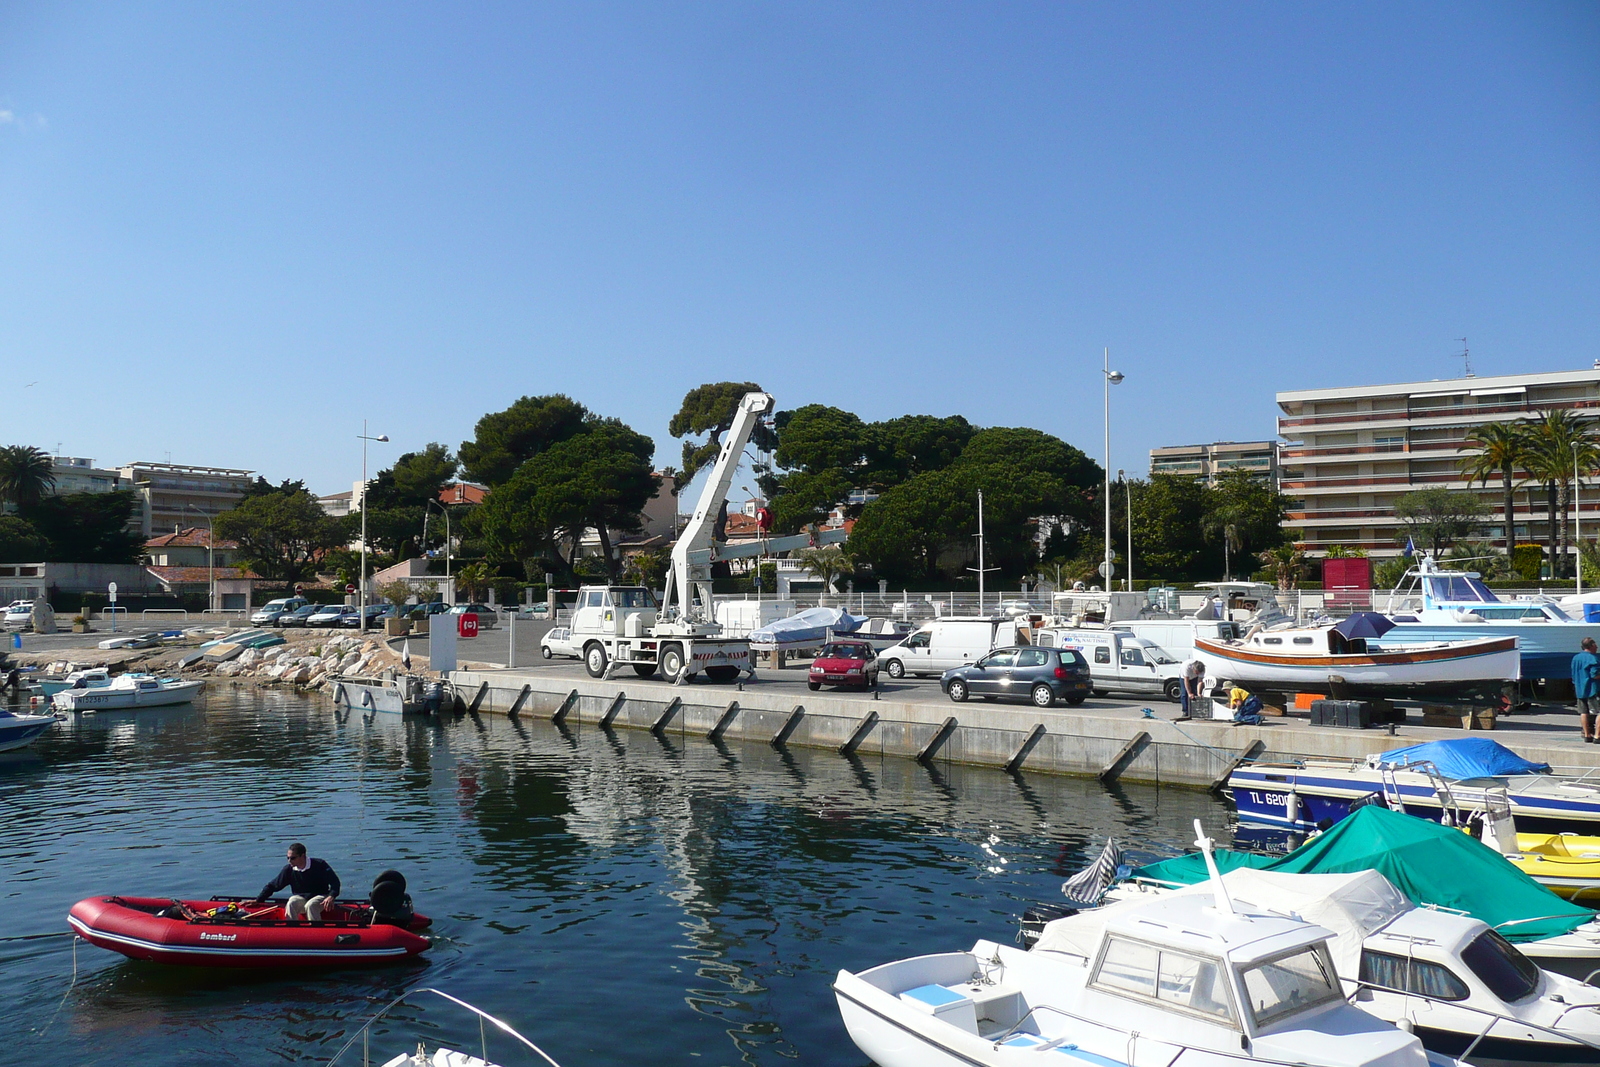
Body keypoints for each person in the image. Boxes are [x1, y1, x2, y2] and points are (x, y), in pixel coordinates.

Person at [256, 843, 340, 920]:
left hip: (321, 896)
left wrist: (331, 896)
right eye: (288, 858)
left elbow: (335, 882)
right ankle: (292, 929)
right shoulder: (289, 869)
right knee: (292, 902)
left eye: (293, 858)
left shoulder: (319, 865)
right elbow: (273, 885)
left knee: (311, 905)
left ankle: (315, 932)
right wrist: (258, 900)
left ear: (302, 856)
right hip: (302, 897)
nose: (289, 860)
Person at [1574, 638, 1600, 743]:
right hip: (1593, 689)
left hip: (1580, 689)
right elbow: (1595, 675)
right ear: (1591, 646)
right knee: (1599, 712)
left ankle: (1587, 734)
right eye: (1595, 645)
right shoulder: (1593, 659)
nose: (1597, 647)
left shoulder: (1576, 658)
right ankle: (1597, 736)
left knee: (1583, 712)